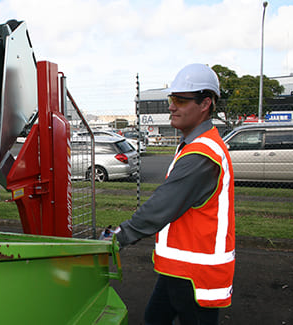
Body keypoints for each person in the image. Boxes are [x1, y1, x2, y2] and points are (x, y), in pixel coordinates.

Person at [113, 63, 235, 325]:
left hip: (196, 275)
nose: (171, 106)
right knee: (154, 318)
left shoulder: (202, 155)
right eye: (172, 99)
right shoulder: (195, 146)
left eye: (180, 100)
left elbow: (162, 206)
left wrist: (119, 236)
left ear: (205, 104)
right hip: (179, 269)